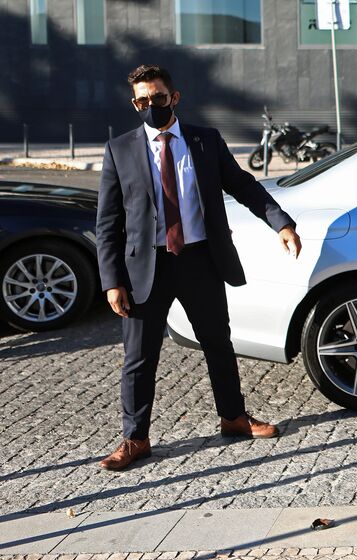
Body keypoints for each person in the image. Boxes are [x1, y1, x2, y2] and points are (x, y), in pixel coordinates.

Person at [95, 64, 302, 471]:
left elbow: (243, 185)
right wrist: (111, 280)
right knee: (139, 358)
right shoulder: (119, 149)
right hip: (144, 268)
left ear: (174, 97)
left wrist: (281, 223)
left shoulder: (205, 142)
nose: (150, 106)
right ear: (134, 104)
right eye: (141, 101)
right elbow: (107, 222)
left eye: (157, 97)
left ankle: (234, 417)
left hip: (200, 259)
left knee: (218, 344)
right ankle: (136, 439)